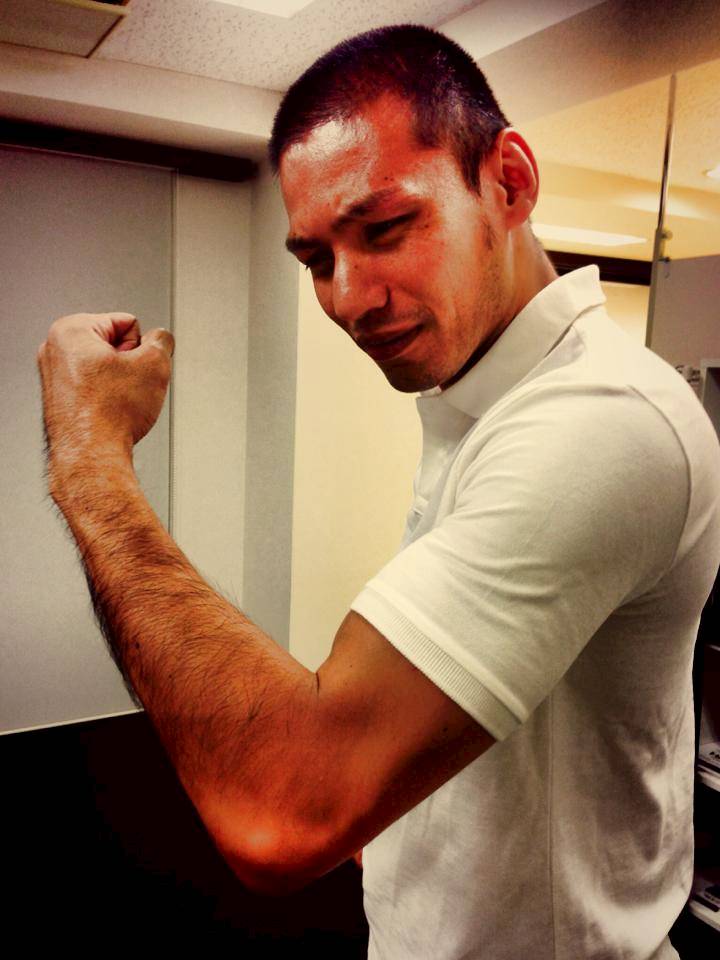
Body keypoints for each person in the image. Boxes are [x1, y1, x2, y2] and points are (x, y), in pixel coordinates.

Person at [36, 23, 720, 960]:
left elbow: (282, 809)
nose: (347, 299)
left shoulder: (601, 420)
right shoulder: (481, 397)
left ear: (509, 182)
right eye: (317, 260)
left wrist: (89, 455)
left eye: (386, 229)